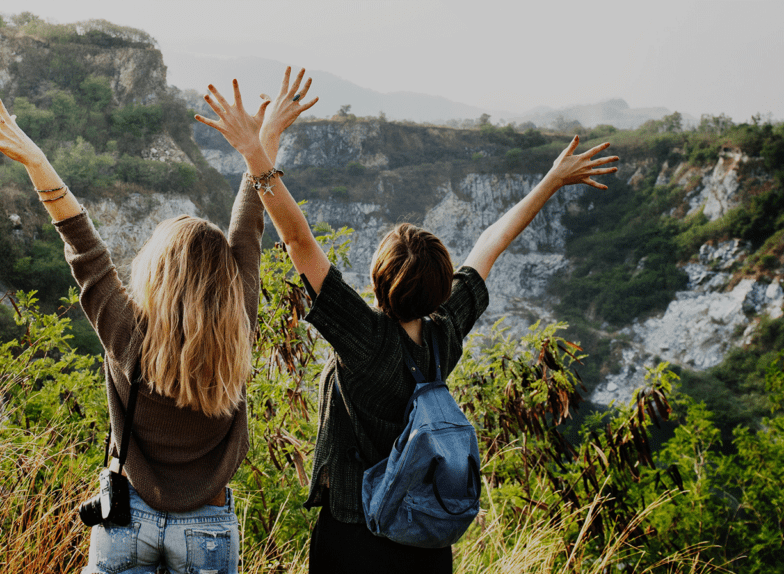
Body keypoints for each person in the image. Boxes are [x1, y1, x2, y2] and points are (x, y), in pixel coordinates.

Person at [196, 68, 618, 573]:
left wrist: (256, 151)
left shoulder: (367, 339)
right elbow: (491, 244)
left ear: (377, 282)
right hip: (426, 541)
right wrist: (551, 180)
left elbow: (299, 241)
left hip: (354, 534)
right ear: (442, 287)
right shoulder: (445, 333)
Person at [0, 81, 315, 574]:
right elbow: (249, 224)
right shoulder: (239, 318)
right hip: (207, 522)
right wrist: (262, 142)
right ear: (225, 277)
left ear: (156, 271)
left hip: (126, 516)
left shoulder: (125, 331)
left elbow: (82, 244)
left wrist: (37, 163)